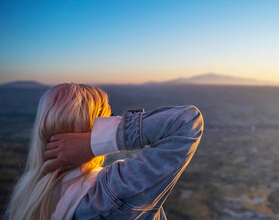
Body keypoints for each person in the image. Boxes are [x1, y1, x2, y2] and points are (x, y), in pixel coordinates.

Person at [5, 83, 204, 220]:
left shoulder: (30, 193)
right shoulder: (110, 193)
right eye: (107, 119)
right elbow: (185, 121)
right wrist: (92, 143)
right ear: (92, 128)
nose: (114, 118)